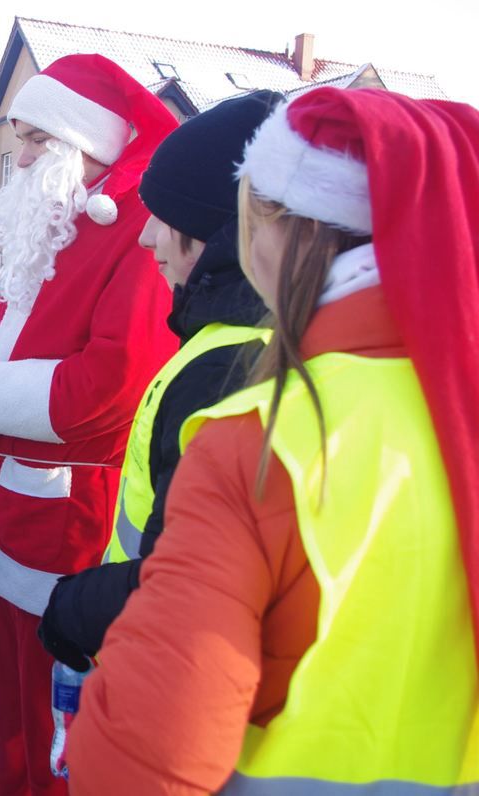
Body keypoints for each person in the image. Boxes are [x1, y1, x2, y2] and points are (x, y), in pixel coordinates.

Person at [65, 87, 479, 793]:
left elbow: (147, 757)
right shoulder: (449, 405)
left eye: (253, 215)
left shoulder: (265, 440)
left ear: (295, 232)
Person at [0, 54, 178, 794]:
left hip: (72, 526)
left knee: (59, 735)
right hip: (15, 510)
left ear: (85, 144)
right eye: (18, 139)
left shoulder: (137, 230)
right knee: (13, 718)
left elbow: (112, 384)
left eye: (34, 140)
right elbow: (13, 311)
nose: (19, 159)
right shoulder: (63, 211)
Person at [36, 91, 280, 668]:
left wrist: (76, 609)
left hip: (163, 662)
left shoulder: (225, 367)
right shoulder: (229, 337)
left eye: (164, 220)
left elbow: (193, 578)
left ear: (213, 232)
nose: (147, 240)